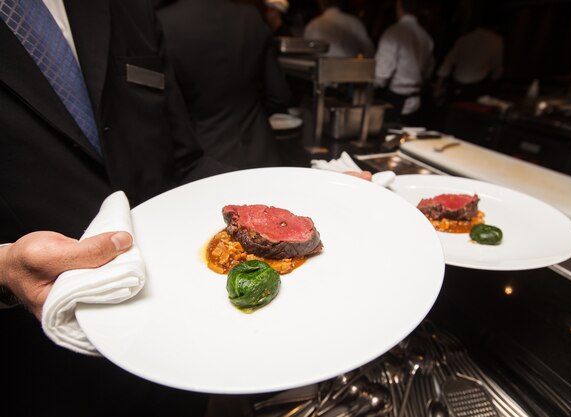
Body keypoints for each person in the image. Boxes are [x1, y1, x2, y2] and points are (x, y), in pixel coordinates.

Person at [0, 0, 232, 416]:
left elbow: (185, 159)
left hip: (180, 335)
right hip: (39, 363)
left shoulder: (126, 7)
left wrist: (288, 197)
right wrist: (3, 267)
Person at [156, 0, 291, 169]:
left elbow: (168, 111)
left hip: (205, 161)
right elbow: (279, 96)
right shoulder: (250, 16)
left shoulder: (163, 22)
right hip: (263, 153)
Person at [374, 0, 435, 124]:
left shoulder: (394, 33)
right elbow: (428, 72)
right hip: (417, 104)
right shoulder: (426, 37)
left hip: (395, 102)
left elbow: (381, 75)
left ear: (399, 5)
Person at [434, 17, 504, 102]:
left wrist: (438, 86)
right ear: (495, 27)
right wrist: (495, 78)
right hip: (475, 87)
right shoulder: (496, 41)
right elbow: (496, 67)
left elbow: (448, 62)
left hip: (456, 84)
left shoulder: (464, 39)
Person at [304, 0, 375, 58]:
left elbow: (307, 54)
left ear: (321, 3)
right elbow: (369, 52)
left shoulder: (312, 25)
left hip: (322, 72)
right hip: (351, 71)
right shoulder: (354, 22)